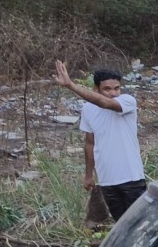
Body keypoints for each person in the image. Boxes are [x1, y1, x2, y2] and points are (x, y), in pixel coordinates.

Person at [53, 60, 146, 222]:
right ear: (96, 90)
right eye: (107, 89)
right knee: (120, 223)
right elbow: (90, 143)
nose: (113, 93)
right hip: (107, 180)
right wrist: (88, 175)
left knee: (139, 224)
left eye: (116, 88)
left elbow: (105, 103)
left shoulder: (127, 101)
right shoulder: (88, 109)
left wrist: (71, 85)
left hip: (132, 178)